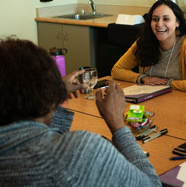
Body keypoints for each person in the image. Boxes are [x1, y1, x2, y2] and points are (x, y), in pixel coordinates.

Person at [0, 39, 161, 186]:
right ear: (46, 93)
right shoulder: (81, 151)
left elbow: (45, 143)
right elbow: (151, 184)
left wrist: (56, 97)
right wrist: (118, 124)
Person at [111, 0, 186, 93]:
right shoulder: (144, 41)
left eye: (166, 19)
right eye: (155, 19)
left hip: (178, 103)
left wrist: (168, 83)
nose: (159, 24)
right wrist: (142, 78)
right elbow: (116, 70)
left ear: (177, 22)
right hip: (148, 101)